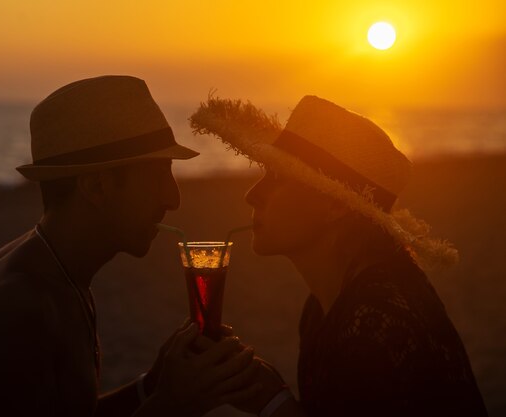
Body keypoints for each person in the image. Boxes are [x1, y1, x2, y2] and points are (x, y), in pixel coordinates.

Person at [0, 75, 262, 417]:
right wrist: (172, 405)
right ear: (97, 186)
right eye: (158, 175)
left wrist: (153, 385)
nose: (174, 198)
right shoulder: (17, 308)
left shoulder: (58, 274)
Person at [190, 95, 488, 416]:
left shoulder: (376, 327)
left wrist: (272, 403)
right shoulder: (328, 302)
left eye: (277, 177)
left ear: (336, 205)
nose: (252, 195)